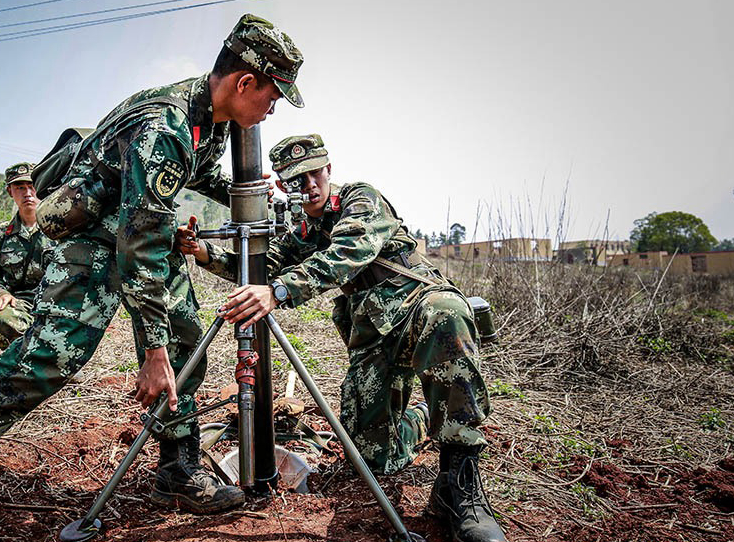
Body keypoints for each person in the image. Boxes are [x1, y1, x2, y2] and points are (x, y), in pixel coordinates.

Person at [0, 14, 305, 542]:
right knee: (54, 354)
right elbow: (138, 245)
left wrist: (256, 190)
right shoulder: (166, 124)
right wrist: (151, 353)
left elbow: (189, 179)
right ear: (245, 83)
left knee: (188, 341)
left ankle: (178, 468)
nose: (273, 109)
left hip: (138, 225)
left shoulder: (208, 120)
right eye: (274, 96)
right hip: (92, 237)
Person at [178, 134, 507, 542]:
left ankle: (460, 482)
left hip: (418, 309)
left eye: (314, 173)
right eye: (296, 179)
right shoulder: (305, 229)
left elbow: (348, 252)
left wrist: (279, 292)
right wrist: (204, 254)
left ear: (328, 169)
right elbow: (265, 266)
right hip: (375, 338)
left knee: (448, 315)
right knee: (370, 458)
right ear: (282, 186)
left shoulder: (360, 199)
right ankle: (422, 417)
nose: (309, 185)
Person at [0, 162, 53, 348]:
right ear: (10, 191)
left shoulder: (61, 230)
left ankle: (57, 361)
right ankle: (33, 360)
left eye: (32, 186)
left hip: (55, 305)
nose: (27, 193)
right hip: (19, 305)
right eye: (20, 187)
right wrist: (0, 295)